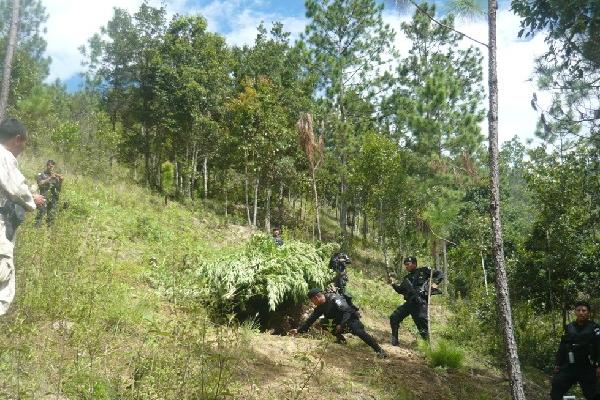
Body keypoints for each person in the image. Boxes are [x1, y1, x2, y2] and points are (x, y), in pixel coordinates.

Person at [0, 118, 45, 315]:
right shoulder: (4, 156)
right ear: (18, 139)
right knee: (3, 277)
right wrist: (32, 200)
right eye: (25, 143)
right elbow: (17, 188)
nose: (24, 148)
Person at [289, 288, 387, 357]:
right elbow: (310, 320)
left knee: (359, 332)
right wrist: (298, 330)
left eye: (313, 300)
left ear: (317, 297)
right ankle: (341, 340)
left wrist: (342, 324)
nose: (313, 303)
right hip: (338, 323)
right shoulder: (320, 307)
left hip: (350, 319)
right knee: (323, 323)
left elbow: (347, 311)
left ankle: (379, 350)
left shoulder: (334, 298)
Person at [550, 301, 600, 400]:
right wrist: (558, 364)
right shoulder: (569, 327)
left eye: (584, 310)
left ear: (588, 312)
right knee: (557, 386)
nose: (581, 312)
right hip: (569, 365)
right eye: (579, 310)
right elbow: (562, 346)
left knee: (594, 394)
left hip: (587, 366)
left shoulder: (595, 328)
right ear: (575, 312)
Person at [389, 256, 444, 344]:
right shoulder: (406, 278)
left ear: (414, 264)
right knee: (394, 317)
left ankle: (428, 348)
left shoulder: (424, 270)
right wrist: (393, 284)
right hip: (409, 303)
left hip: (420, 303)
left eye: (408, 264)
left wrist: (435, 283)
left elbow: (440, 274)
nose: (406, 266)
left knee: (422, 327)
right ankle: (394, 341)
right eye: (405, 265)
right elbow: (400, 290)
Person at [35, 159, 63, 227]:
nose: (51, 168)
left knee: (51, 215)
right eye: (49, 166)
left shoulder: (55, 176)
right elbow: (40, 183)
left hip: (53, 198)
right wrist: (50, 178)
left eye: (52, 166)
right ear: (47, 166)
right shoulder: (41, 174)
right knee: (41, 213)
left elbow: (58, 188)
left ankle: (49, 231)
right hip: (43, 197)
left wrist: (61, 181)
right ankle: (36, 229)